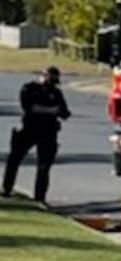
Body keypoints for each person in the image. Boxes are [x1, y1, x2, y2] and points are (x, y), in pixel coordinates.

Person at [3, 66, 70, 203]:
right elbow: (29, 107)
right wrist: (51, 110)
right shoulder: (30, 88)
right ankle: (7, 188)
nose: (51, 83)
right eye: (49, 79)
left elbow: (64, 112)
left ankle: (40, 197)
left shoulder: (56, 92)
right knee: (14, 159)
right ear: (43, 76)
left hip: (48, 132)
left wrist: (56, 111)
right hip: (29, 129)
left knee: (44, 166)